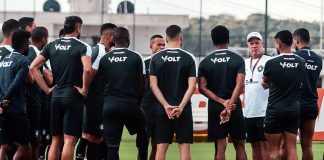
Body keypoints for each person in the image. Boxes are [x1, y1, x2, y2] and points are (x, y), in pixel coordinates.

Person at [30, 16, 92, 160]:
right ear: (78, 28)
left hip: (56, 95)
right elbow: (88, 70)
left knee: (55, 140)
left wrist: (47, 89)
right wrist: (84, 90)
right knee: (69, 140)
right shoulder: (83, 46)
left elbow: (33, 67)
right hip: (73, 95)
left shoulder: (51, 45)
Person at [98, 27, 147, 160]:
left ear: (113, 40)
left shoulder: (105, 58)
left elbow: (101, 82)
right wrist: (137, 103)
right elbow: (142, 84)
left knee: (112, 146)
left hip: (109, 106)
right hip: (130, 104)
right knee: (143, 132)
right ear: (128, 39)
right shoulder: (136, 57)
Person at [198, 25, 247, 160]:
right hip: (234, 105)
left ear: (213, 41)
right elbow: (240, 84)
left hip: (215, 106)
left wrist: (222, 102)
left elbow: (202, 87)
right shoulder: (238, 59)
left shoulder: (205, 62)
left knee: (220, 145)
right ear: (228, 40)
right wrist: (230, 104)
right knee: (240, 144)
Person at [150, 25, 197, 160]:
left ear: (166, 39)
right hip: (183, 110)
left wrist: (165, 105)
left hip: (163, 110)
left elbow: (153, 86)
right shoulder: (189, 57)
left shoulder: (156, 58)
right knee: (184, 147)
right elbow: (192, 86)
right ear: (181, 38)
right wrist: (181, 107)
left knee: (161, 147)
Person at [75, 23, 117, 160]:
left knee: (99, 136)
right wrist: (85, 91)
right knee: (93, 136)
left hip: (97, 100)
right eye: (115, 37)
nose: (116, 40)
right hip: (94, 100)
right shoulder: (100, 52)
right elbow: (90, 73)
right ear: (109, 36)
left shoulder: (100, 51)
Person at [262, 30, 305, 160]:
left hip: (275, 110)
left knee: (273, 151)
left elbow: (265, 82)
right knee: (292, 149)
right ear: (292, 42)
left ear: (278, 44)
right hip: (293, 109)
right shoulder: (301, 61)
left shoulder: (271, 62)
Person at [0, 29, 31, 160]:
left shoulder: (3, 60)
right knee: (24, 145)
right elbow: (17, 83)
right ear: (24, 44)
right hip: (17, 108)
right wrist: (7, 98)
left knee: (4, 146)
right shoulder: (23, 60)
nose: (29, 44)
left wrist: (1, 102)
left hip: (2, 108)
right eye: (28, 42)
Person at [293, 28, 322, 160]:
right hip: (311, 104)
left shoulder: (294, 57)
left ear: (297, 40)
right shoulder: (318, 58)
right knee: (307, 145)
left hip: (295, 104)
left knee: (289, 145)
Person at [244, 32, 271, 160]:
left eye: (257, 43)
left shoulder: (269, 61)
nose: (254, 46)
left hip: (265, 111)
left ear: (262, 44)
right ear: (248, 45)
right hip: (249, 112)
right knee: (254, 145)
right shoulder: (244, 63)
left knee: (265, 144)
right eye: (251, 43)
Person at [27, 26, 49, 160]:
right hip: (36, 102)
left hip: (24, 102)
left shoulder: (25, 51)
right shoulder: (36, 52)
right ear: (43, 39)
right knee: (36, 141)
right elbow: (49, 77)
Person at [142, 34, 165, 160]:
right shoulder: (144, 63)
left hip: (162, 110)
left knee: (157, 145)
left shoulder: (168, 63)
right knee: (143, 144)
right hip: (146, 110)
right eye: (158, 45)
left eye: (163, 45)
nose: (161, 47)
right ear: (151, 46)